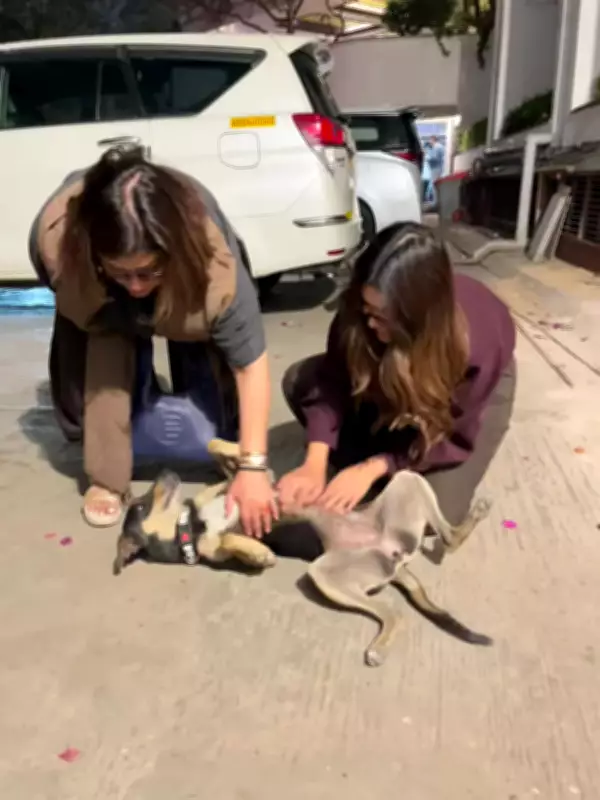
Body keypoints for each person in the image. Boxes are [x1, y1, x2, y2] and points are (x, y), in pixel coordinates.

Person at [29, 145, 277, 535]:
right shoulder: (57, 244)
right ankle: (107, 477)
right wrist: (119, 300)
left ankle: (219, 433)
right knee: (104, 349)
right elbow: (80, 319)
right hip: (93, 283)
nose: (137, 286)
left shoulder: (215, 267)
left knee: (200, 353)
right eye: (123, 273)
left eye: (147, 272)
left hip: (188, 285)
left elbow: (249, 364)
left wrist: (254, 465)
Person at [277, 223, 516, 525]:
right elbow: (331, 383)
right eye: (369, 311)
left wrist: (375, 466)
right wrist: (314, 462)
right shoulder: (359, 313)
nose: (374, 326)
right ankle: (386, 459)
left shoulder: (475, 345)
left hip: (463, 405)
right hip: (394, 381)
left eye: (389, 319)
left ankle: (392, 461)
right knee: (298, 381)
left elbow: (452, 435)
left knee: (429, 517)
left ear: (423, 317)